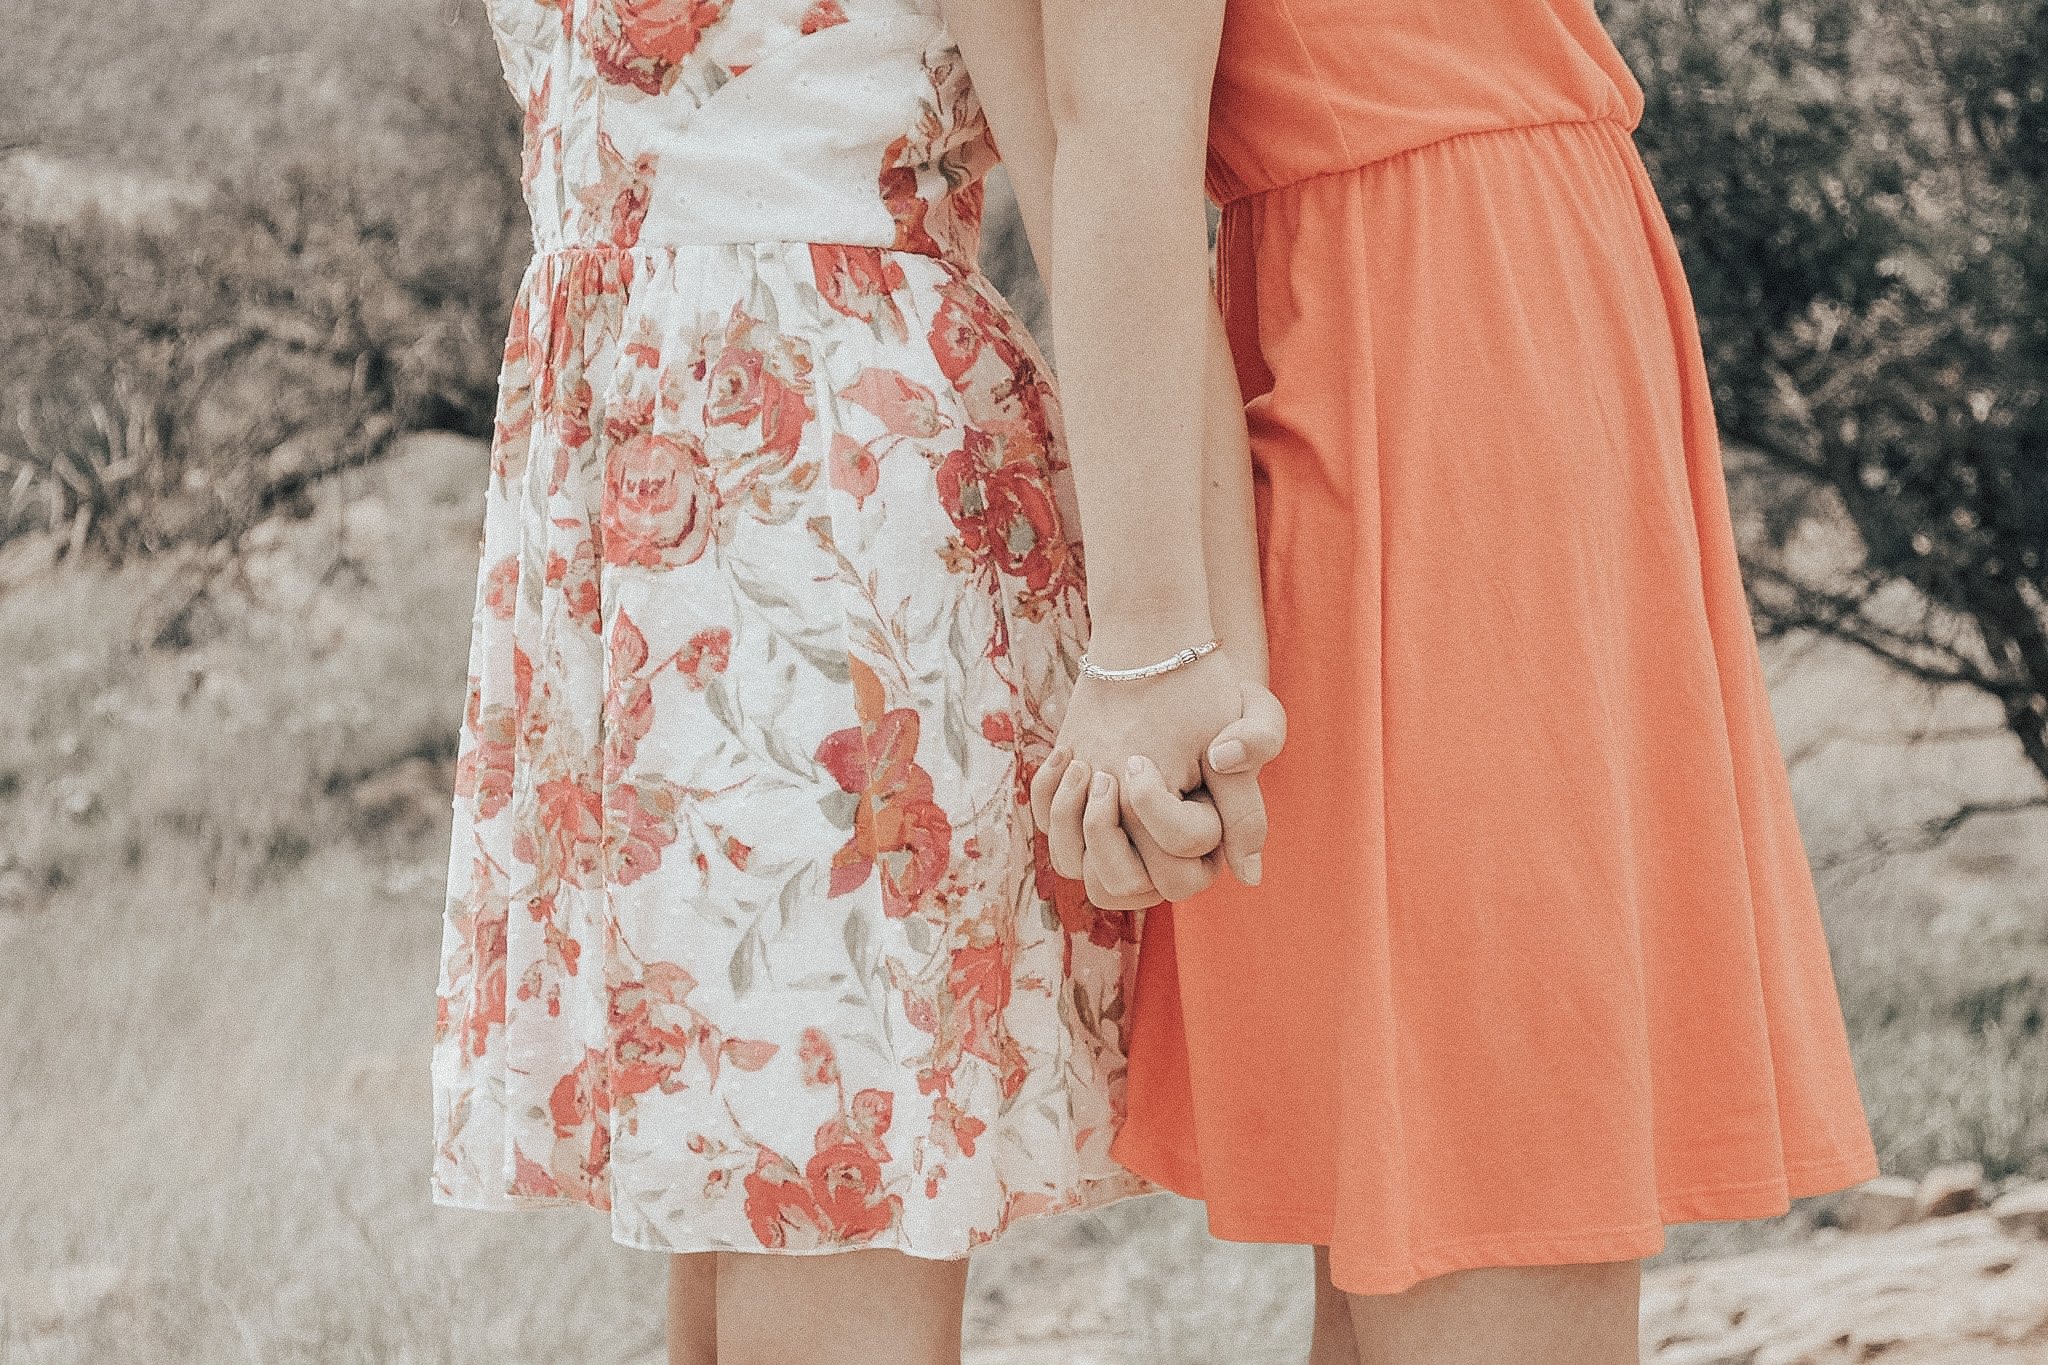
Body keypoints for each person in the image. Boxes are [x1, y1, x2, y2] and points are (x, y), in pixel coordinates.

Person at [942, 0, 1883, 1360]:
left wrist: (1170, 630)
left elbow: (1094, 130)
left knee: (1454, 1183)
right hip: (1437, 311)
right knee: (1467, 1175)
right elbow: (1100, 133)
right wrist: (1155, 632)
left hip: (1452, 312)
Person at [426, 3, 1278, 1361]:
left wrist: (1191, 646)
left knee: (807, 1196)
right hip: (616, 511)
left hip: (829, 497)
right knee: (723, 1220)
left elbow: (1098, 173)